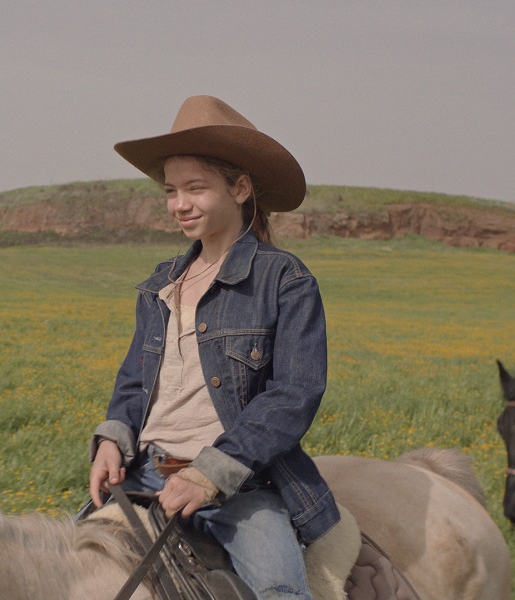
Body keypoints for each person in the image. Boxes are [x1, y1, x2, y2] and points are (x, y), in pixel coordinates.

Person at [88, 95, 339, 600]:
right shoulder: (160, 283)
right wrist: (113, 437)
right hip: (146, 472)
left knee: (280, 594)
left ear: (240, 188)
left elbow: (294, 395)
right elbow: (136, 380)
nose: (179, 204)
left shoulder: (285, 280)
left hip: (240, 487)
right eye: (171, 191)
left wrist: (209, 475)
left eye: (195, 188)